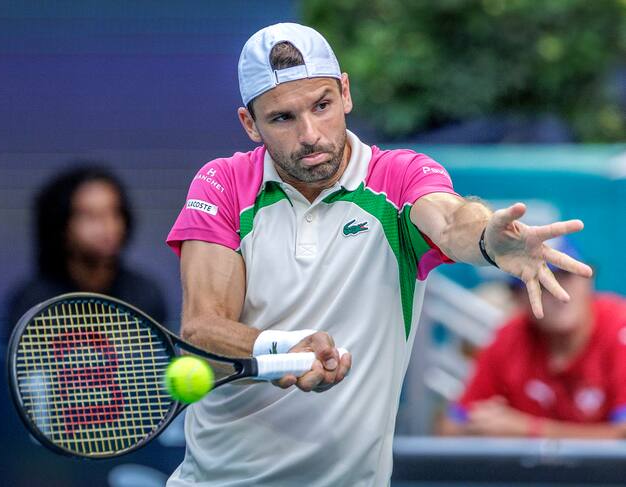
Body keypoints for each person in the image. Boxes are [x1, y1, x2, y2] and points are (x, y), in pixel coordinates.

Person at [164, 23, 592, 486]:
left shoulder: (399, 176)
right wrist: (283, 347)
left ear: (345, 93)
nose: (310, 134)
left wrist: (488, 239)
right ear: (250, 124)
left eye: (322, 105)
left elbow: (451, 221)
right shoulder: (222, 183)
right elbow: (202, 330)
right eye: (283, 118)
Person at [440, 238, 626, 439]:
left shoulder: (619, 327)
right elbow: (450, 427)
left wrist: (528, 430)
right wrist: (482, 425)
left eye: (566, 275)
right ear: (517, 297)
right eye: (540, 283)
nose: (558, 292)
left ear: (588, 279)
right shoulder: (510, 336)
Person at [6, 165, 166, 337]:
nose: (107, 226)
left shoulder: (145, 294)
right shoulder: (32, 303)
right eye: (90, 216)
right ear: (61, 225)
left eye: (114, 213)